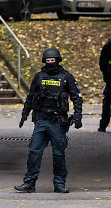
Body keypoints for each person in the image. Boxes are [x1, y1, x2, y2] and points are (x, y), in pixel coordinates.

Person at [14, 48, 83, 193]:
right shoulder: (39, 77)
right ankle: (29, 183)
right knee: (34, 151)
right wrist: (24, 114)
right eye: (48, 61)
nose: (50, 63)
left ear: (58, 61)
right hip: (41, 120)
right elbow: (31, 96)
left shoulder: (66, 77)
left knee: (58, 153)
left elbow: (76, 97)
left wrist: (78, 116)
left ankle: (59, 183)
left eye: (53, 60)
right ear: (44, 61)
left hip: (57, 122)